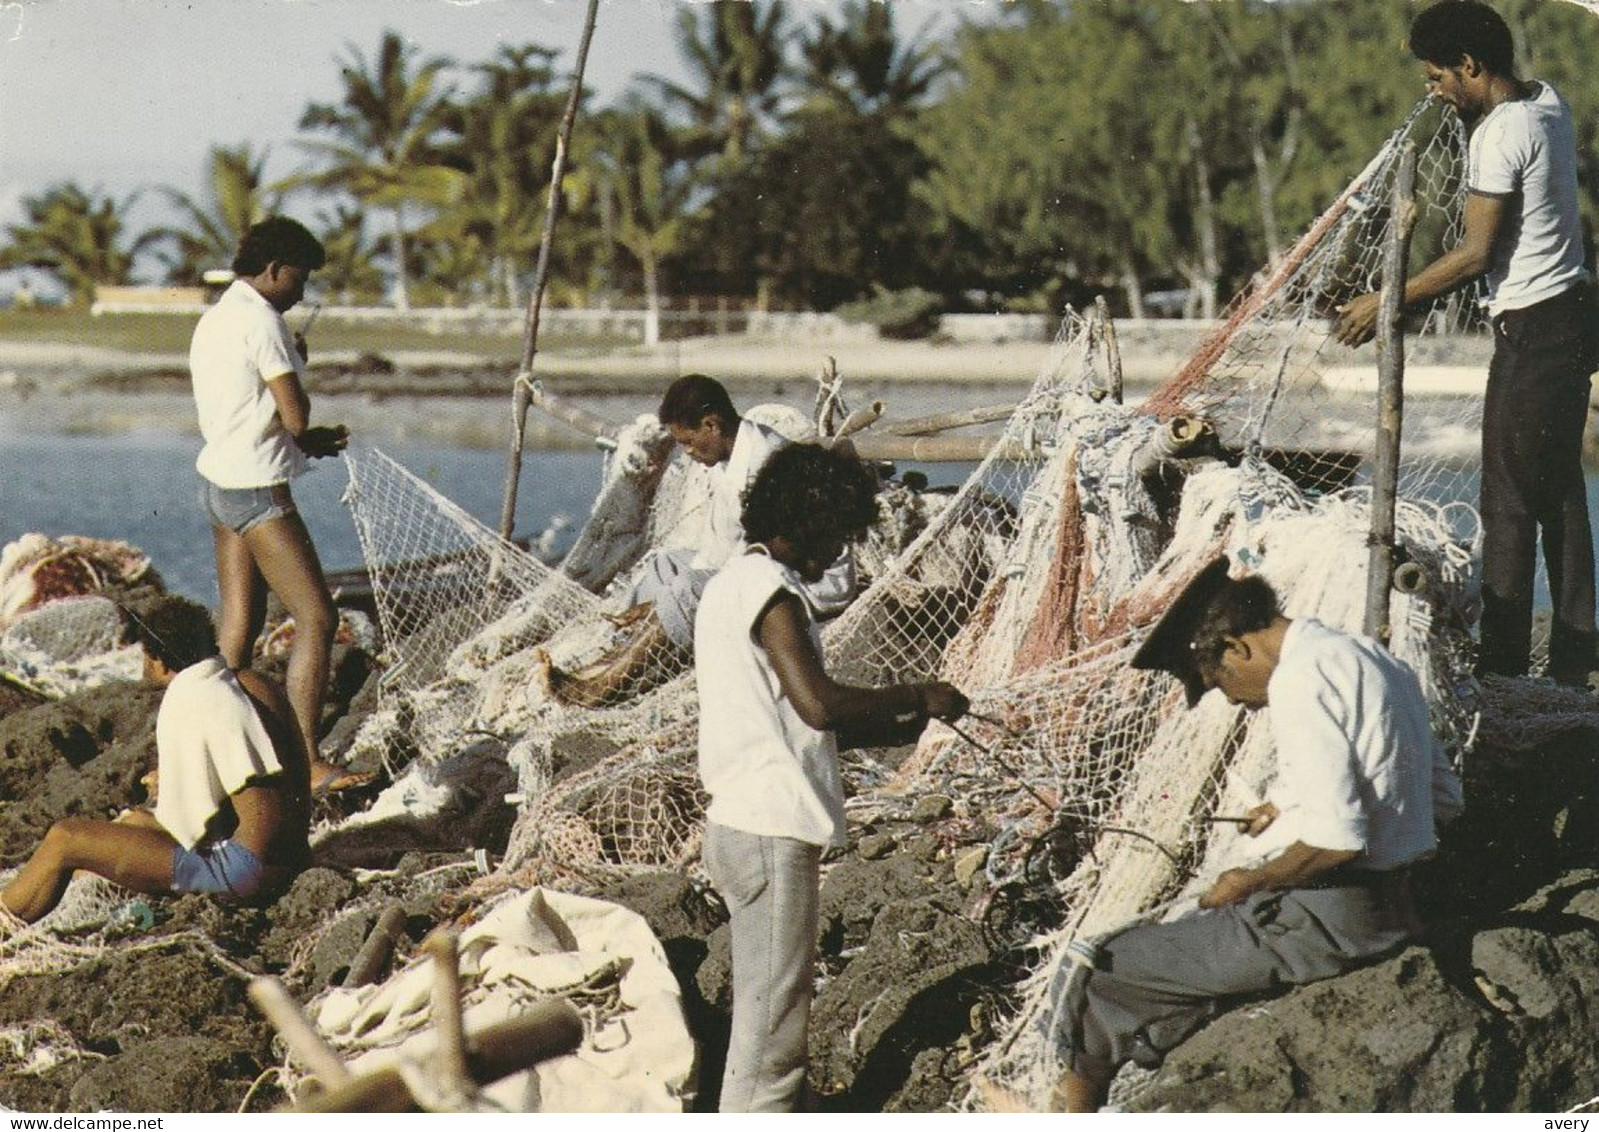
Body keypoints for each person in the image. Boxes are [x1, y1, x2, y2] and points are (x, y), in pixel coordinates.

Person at [1002, 558, 1462, 1113]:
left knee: (1103, 969)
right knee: (1172, 959)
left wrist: (1250, 880)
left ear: (1235, 649)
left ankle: (1067, 1112)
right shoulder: (1374, 659)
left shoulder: (1299, 679)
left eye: (1219, 683)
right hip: (1398, 904)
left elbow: (1338, 841)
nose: (1236, 702)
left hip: (1331, 922)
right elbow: (1441, 799)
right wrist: (1284, 810)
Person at [694, 442, 968, 1112]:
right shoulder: (769, 592)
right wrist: (915, 692)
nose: (840, 553)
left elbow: (799, 721)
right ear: (811, 520)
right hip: (767, 829)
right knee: (770, 1030)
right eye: (840, 535)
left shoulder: (730, 585)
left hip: (742, 822)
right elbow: (818, 702)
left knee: (770, 1011)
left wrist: (904, 723)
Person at [1333, 0, 1598, 684]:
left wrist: (1384, 301)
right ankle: (1575, 655)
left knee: (1508, 503)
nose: (1432, 91)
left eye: (1436, 77)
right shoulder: (1548, 102)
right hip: (1574, 317)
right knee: (1559, 490)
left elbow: (1476, 253)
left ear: (1470, 67)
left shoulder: (1497, 135)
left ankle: (1504, 669)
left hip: (1533, 330)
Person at [537, 373, 854, 707]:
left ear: (712, 425)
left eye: (688, 442)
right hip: (760, 564)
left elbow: (764, 559)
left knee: (688, 588)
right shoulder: (727, 461)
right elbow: (718, 549)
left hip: (808, 579)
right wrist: (656, 603)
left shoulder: (766, 461)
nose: (687, 453)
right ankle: (614, 659)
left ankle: (602, 688)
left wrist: (665, 604)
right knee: (666, 566)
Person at [1, 599, 310, 926]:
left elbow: (178, 828)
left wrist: (146, 814)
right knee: (123, 835)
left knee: (67, 839)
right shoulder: (252, 683)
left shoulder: (186, 697)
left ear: (157, 661)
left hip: (244, 874)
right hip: (294, 859)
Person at [189, 216, 361, 791]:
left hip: (219, 482)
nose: (301, 293)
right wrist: (298, 366)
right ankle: (306, 760)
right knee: (317, 617)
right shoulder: (264, 322)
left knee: (238, 628)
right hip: (259, 489)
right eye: (300, 280)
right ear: (274, 270)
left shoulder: (216, 317)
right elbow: (296, 415)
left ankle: (212, 748)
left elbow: (244, 407)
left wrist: (303, 440)